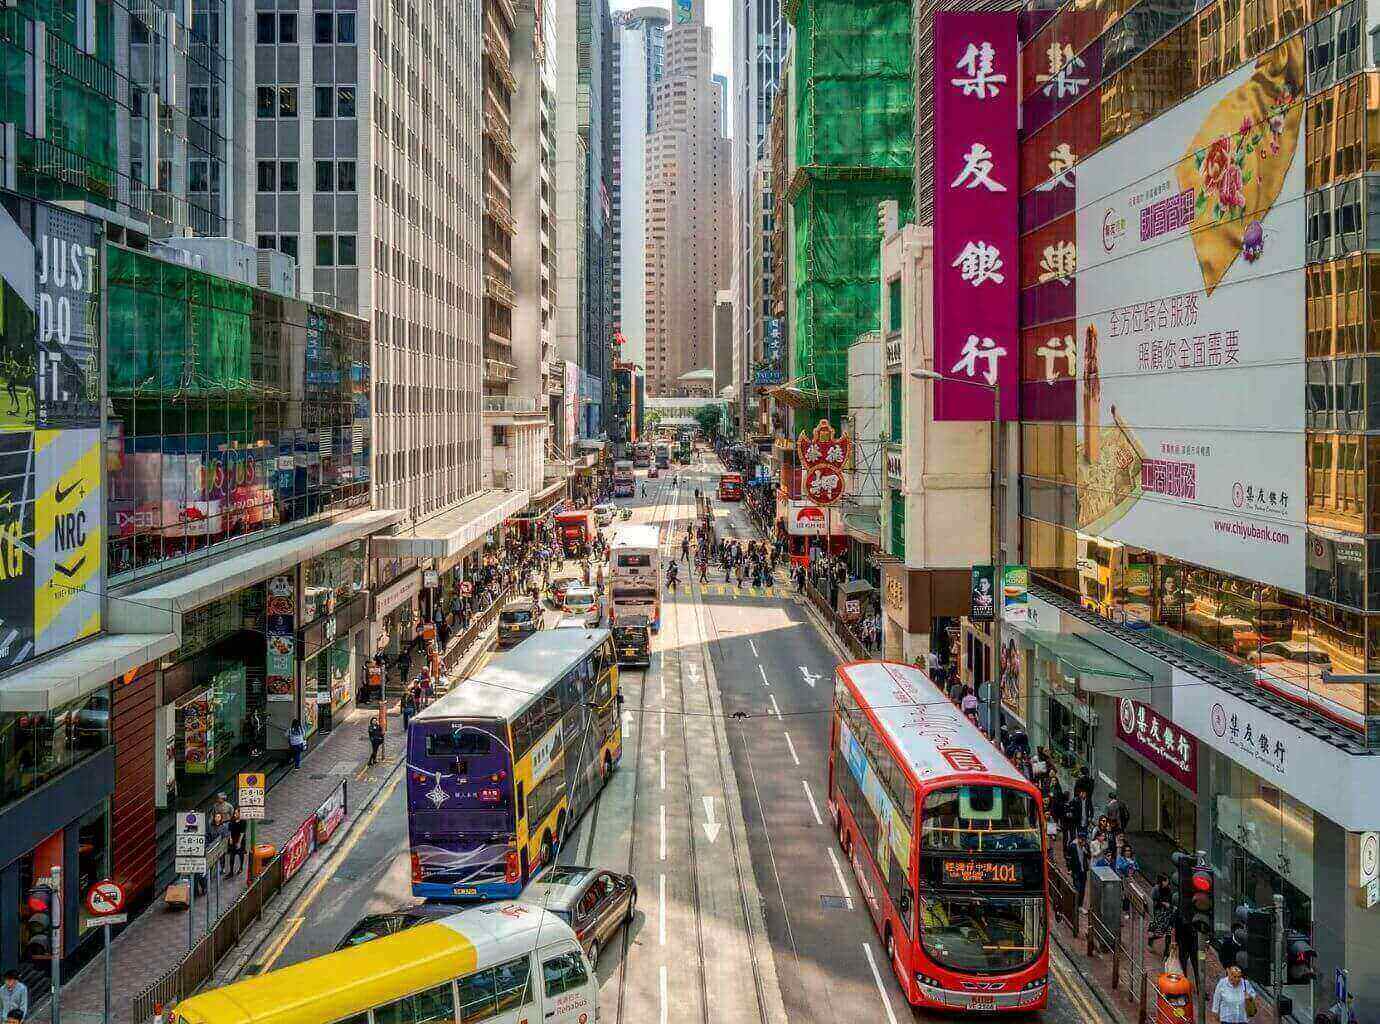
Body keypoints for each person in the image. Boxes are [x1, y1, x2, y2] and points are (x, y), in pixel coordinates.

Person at [226, 808, 248, 876]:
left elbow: (242, 832)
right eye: (234, 813)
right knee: (231, 856)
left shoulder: (243, 821)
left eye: (236, 813)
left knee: (240, 854)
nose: (235, 814)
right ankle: (231, 871)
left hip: (240, 840)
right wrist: (230, 838)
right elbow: (229, 830)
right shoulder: (232, 820)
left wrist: (239, 842)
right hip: (233, 839)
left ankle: (241, 867)